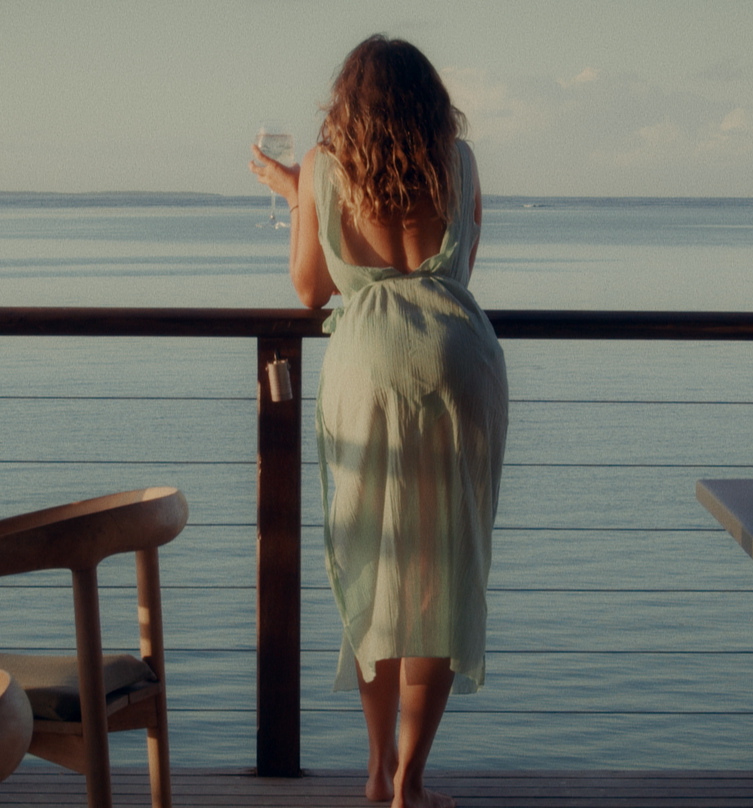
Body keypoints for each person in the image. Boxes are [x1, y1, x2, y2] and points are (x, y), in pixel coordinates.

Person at [249, 34, 507, 808]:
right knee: (440, 570)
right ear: (430, 98)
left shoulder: (326, 166)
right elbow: (460, 269)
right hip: (457, 359)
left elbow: (308, 290)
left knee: (371, 563)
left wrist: (300, 197)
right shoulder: (456, 161)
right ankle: (409, 782)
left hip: (364, 364)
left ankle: (371, 770)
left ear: (345, 100)